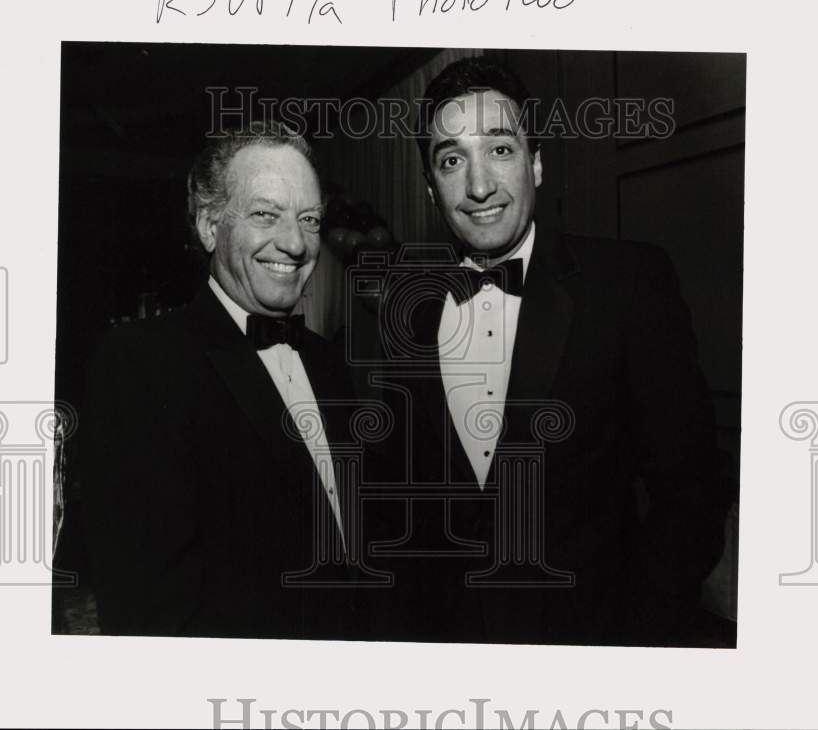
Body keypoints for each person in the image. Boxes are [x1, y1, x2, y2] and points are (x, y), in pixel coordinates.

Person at [376, 58, 733, 646]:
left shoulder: (627, 284)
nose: (479, 185)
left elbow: (690, 490)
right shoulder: (407, 308)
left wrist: (635, 639)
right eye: (451, 159)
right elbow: (400, 507)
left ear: (536, 163)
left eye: (500, 149)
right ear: (429, 186)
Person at [80, 121, 364, 638]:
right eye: (265, 214)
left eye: (309, 219)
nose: (295, 243)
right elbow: (145, 602)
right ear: (209, 225)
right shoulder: (143, 361)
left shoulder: (330, 363)